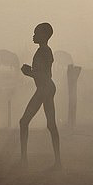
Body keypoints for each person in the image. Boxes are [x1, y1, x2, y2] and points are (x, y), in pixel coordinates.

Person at [19, 22, 61, 170]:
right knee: (50, 125)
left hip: (44, 89)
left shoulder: (44, 52)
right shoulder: (45, 51)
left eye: (36, 33)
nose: (34, 36)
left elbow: (44, 75)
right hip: (46, 88)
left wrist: (28, 72)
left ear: (44, 35)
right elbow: (44, 73)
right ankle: (57, 162)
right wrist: (31, 72)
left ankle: (24, 160)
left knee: (24, 122)